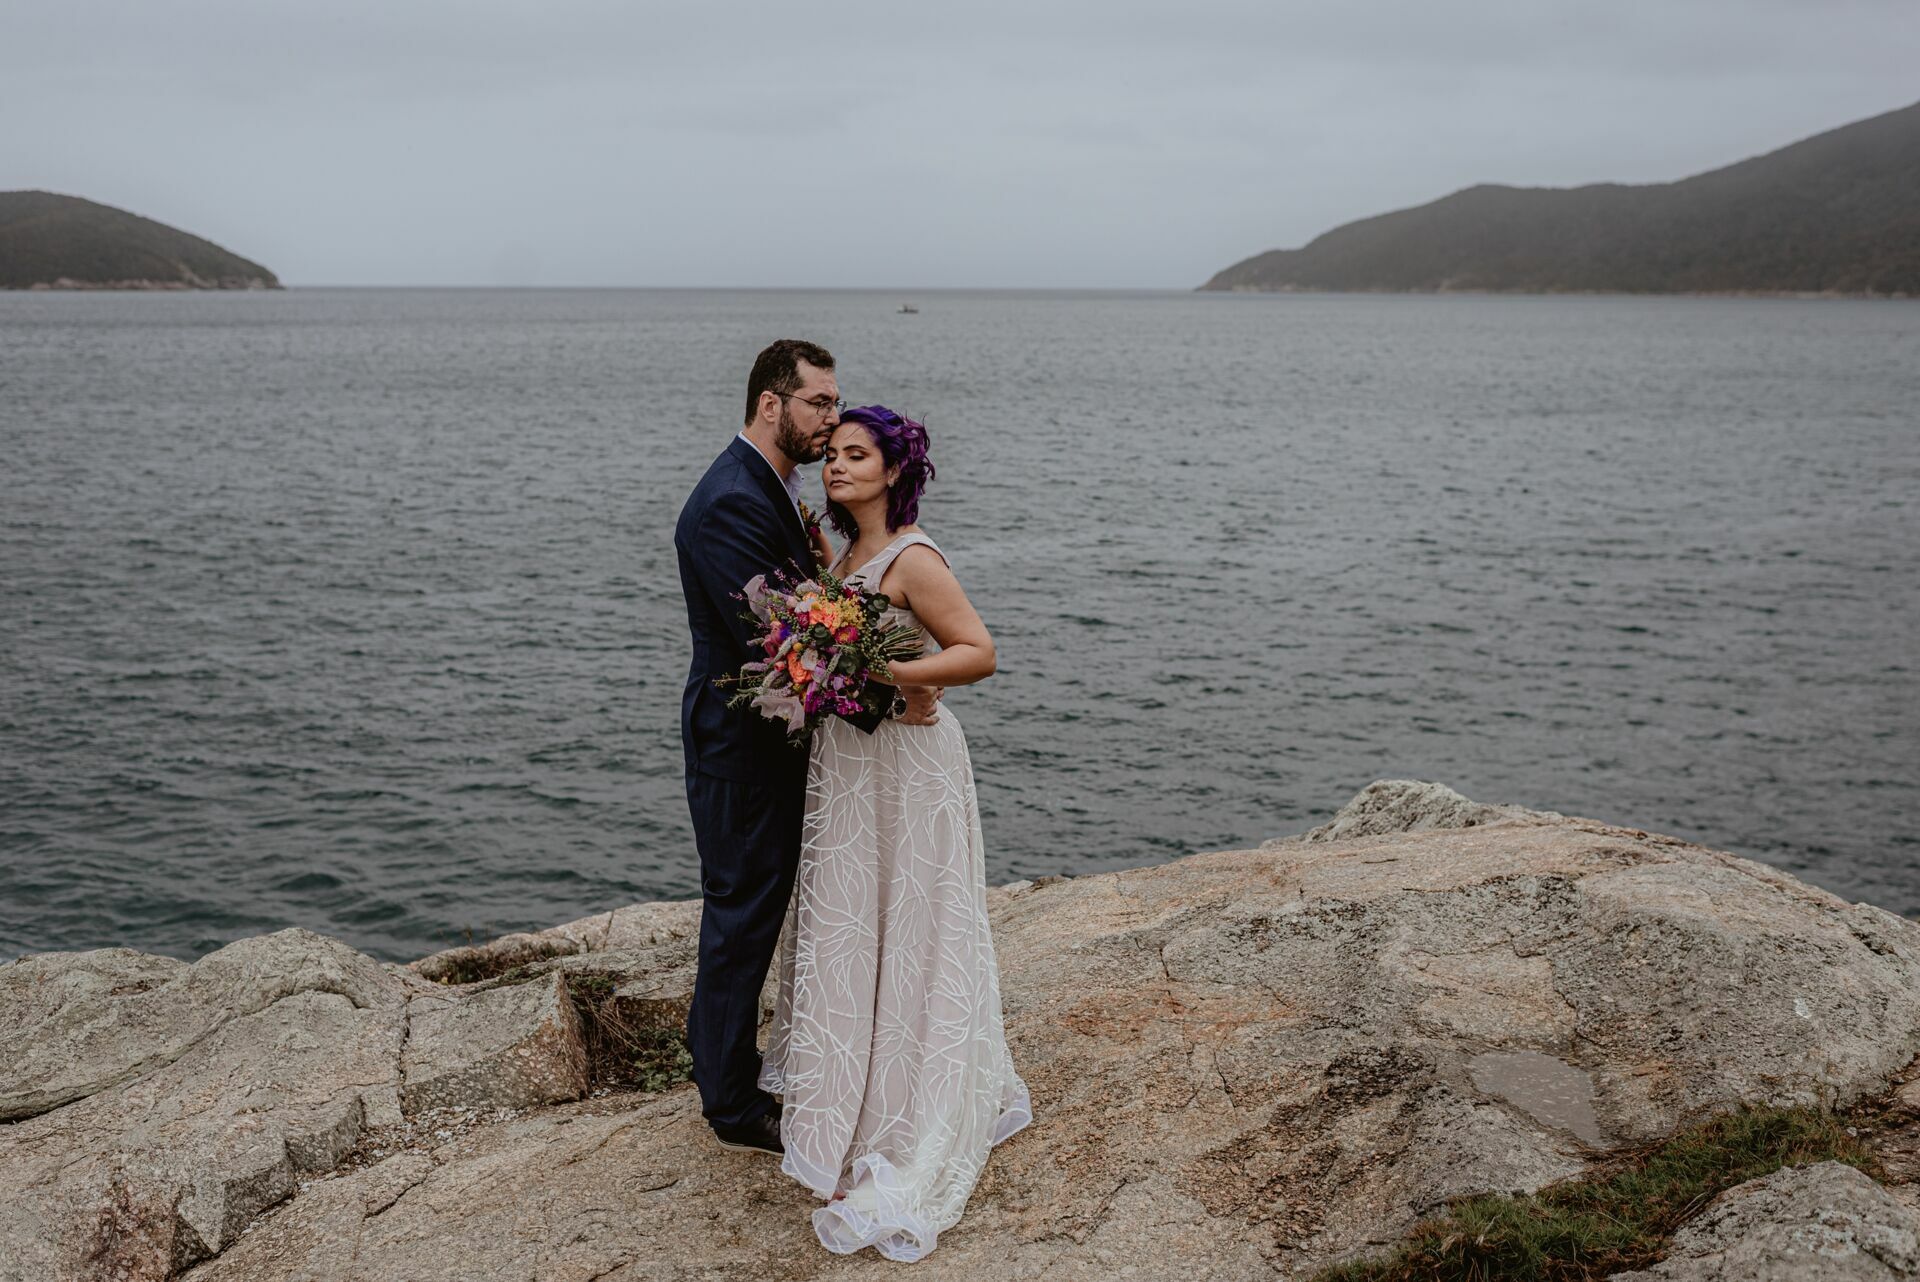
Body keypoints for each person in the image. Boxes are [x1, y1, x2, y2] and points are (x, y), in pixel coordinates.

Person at [759, 405, 1033, 1262]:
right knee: (853, 918)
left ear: (892, 469)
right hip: (851, 767)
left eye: (854, 456)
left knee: (911, 923)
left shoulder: (913, 556)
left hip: (909, 767)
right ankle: (843, 1094)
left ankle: (908, 1110)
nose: (836, 468)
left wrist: (894, 674)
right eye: (832, 455)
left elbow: (978, 650)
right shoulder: (841, 557)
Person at [675, 341, 941, 1153]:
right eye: (820, 405)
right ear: (770, 404)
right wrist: (893, 697)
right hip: (741, 748)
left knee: (757, 909)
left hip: (771, 741)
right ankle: (728, 1101)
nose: (831, 422)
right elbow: (780, 642)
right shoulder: (729, 500)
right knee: (742, 914)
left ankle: (742, 1069)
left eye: (835, 406)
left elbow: (804, 616)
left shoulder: (770, 487)